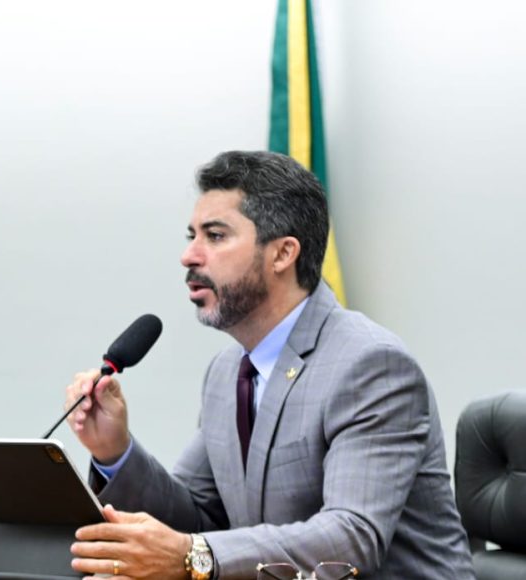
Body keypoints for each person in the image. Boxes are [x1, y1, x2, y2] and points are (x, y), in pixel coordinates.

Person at [65, 151, 474, 579]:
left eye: (215, 236)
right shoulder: (226, 372)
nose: (189, 256)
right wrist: (115, 450)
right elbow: (196, 518)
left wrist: (192, 554)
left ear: (282, 254)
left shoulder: (371, 365)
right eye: (192, 236)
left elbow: (352, 537)